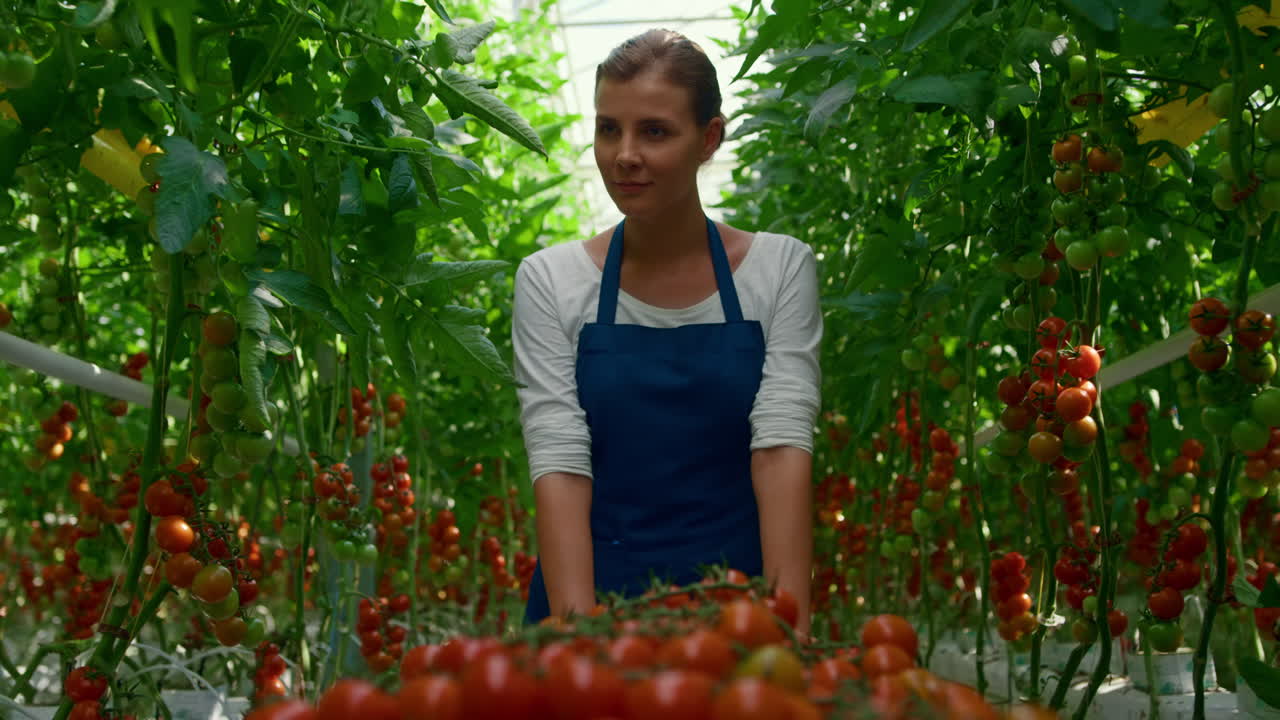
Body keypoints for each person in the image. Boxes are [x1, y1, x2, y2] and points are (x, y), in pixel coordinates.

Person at [512, 28, 822, 635]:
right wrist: (581, 640)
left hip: (739, 607)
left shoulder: (779, 268)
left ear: (710, 138)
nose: (625, 154)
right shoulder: (551, 280)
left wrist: (788, 630)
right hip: (593, 596)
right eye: (609, 129)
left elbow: (782, 446)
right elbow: (560, 461)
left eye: (654, 131)